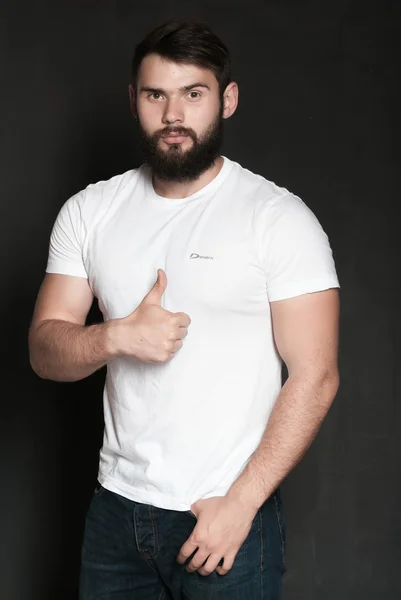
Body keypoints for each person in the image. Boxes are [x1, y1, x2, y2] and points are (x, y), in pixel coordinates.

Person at [28, 17, 340, 600]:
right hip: (115, 514)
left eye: (193, 94)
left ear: (227, 99)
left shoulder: (276, 218)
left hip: (222, 517)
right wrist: (115, 337)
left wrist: (241, 506)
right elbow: (46, 350)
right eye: (156, 95)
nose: (173, 115)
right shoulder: (90, 211)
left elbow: (316, 376)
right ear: (134, 101)